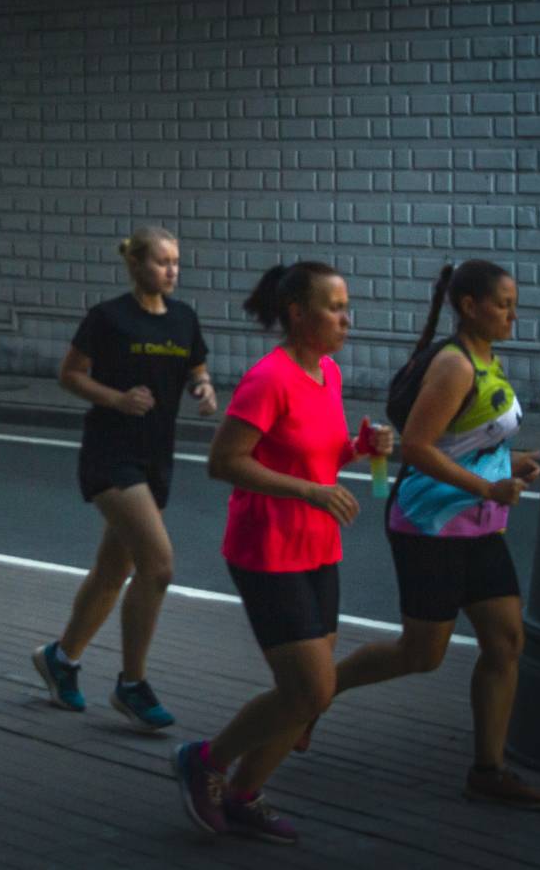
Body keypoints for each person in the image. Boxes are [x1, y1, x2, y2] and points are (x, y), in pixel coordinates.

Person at [173, 261, 392, 844]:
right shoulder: (268, 379)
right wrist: (309, 492)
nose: (347, 319)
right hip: (268, 550)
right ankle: (205, 760)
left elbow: (317, 455)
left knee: (308, 696)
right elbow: (224, 462)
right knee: (310, 690)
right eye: (335, 308)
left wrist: (360, 447)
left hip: (318, 546)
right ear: (298, 314)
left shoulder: (327, 373)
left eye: (347, 307)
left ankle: (243, 794)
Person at [328, 261, 540, 809]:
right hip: (429, 525)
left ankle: (488, 770)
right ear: (470, 306)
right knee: (421, 653)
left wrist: (515, 462)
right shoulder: (455, 366)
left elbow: (464, 445)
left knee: (506, 642)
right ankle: (314, 693)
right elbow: (417, 448)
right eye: (504, 304)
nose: (513, 315)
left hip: (477, 525)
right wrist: (488, 486)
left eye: (514, 304)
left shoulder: (488, 359)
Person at [33, 227, 217, 731]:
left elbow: (197, 368)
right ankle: (132, 684)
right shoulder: (108, 317)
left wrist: (203, 388)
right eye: (161, 262)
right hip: (110, 455)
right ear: (135, 265)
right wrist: (116, 399)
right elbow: (70, 374)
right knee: (157, 564)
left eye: (176, 262)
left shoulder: (183, 318)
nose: (172, 270)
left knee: (113, 571)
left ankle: (61, 659)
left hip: (156, 457)